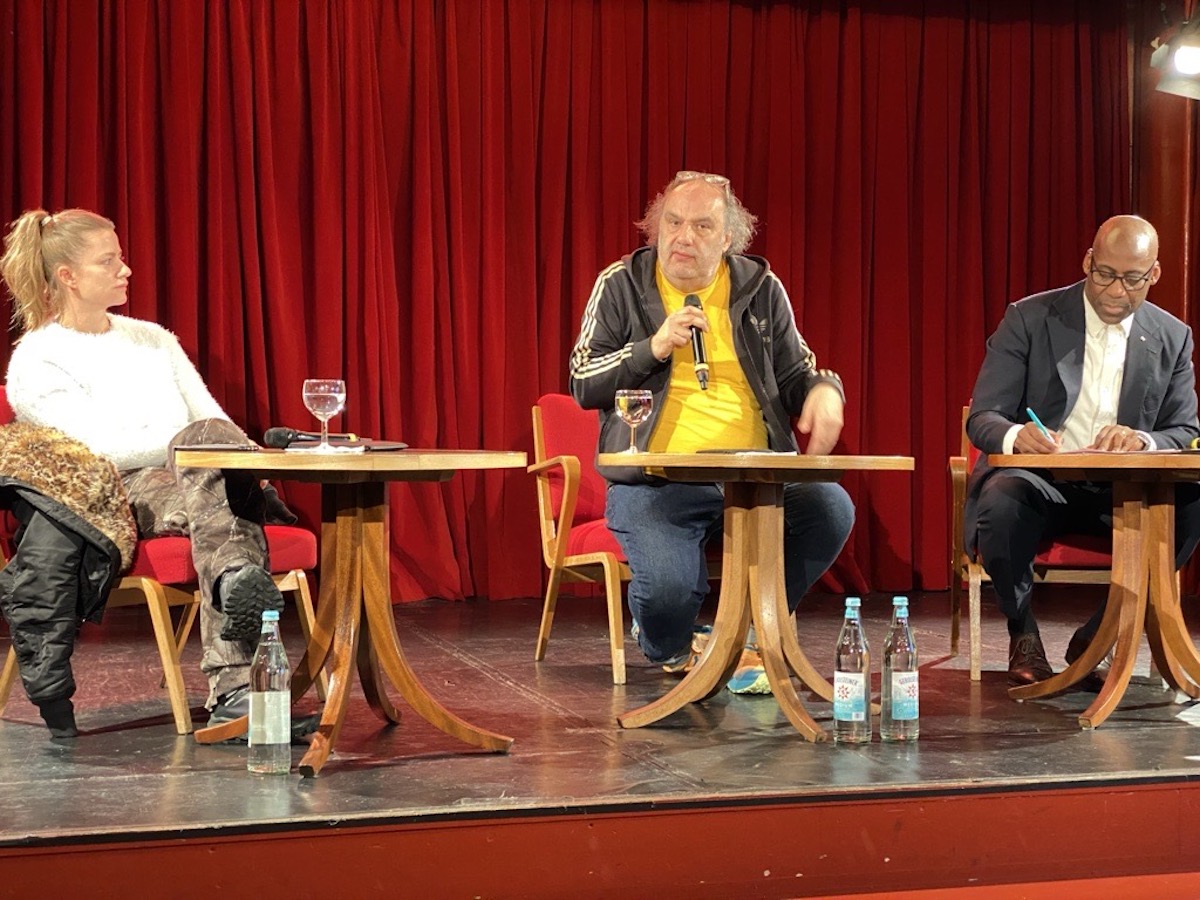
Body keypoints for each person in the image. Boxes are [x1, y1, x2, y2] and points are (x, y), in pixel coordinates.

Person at [0, 208, 302, 737]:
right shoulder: (38, 359)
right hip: (117, 492)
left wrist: (245, 452)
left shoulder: (155, 339)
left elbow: (211, 418)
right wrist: (186, 446)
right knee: (219, 491)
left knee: (212, 461)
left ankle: (234, 591)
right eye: (108, 260)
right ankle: (235, 676)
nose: (126, 269)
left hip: (200, 474)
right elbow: (97, 452)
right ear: (68, 276)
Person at [569, 171, 855, 694]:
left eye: (702, 226)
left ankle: (751, 633)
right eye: (673, 223)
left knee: (830, 508)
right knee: (666, 595)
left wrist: (824, 391)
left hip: (754, 472)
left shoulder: (759, 287)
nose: (684, 237)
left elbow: (798, 373)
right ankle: (672, 644)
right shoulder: (621, 284)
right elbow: (583, 380)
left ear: (727, 239)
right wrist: (652, 347)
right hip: (656, 477)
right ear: (656, 228)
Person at [964, 215, 1200, 686]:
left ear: (1153, 274)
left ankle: (1099, 634)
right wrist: (1016, 436)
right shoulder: (1030, 318)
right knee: (1003, 498)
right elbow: (984, 417)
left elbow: (1186, 430)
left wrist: (1143, 441)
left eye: (1132, 279)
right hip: (1040, 482)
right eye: (1105, 274)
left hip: (1123, 490)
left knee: (1193, 504)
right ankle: (1022, 631)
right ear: (1088, 261)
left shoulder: (1172, 336)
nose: (1115, 291)